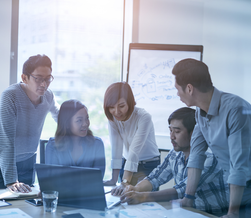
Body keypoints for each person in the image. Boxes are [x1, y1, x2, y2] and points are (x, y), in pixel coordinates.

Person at [172, 58, 251, 218]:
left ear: (189, 88)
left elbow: (239, 166)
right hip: (234, 187)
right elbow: (196, 155)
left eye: (177, 89)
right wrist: (188, 198)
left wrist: (233, 213)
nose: (177, 94)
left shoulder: (236, 109)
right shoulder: (199, 112)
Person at [120, 107, 229, 216]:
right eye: (170, 130)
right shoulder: (175, 153)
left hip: (211, 214)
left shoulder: (210, 157)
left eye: (177, 131)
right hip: (188, 212)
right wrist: (135, 188)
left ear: (194, 134)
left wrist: (142, 196)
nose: (171, 136)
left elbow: (181, 190)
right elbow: (156, 177)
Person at [0, 54, 59, 192]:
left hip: (28, 160)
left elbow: (60, 116)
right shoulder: (10, 96)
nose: (44, 84)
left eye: (48, 79)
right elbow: (5, 140)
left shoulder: (48, 96)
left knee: (27, 206)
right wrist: (11, 181)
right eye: (38, 78)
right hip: (1, 162)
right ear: (24, 78)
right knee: (5, 209)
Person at [103, 82, 160, 195]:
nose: (116, 112)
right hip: (126, 165)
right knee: (123, 200)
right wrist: (114, 180)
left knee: (143, 201)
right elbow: (116, 148)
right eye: (111, 107)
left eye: (121, 106)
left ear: (130, 102)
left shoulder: (144, 117)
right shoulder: (113, 119)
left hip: (148, 165)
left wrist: (124, 182)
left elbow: (134, 150)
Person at [45, 100, 105, 178]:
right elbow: (52, 178)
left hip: (88, 190)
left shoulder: (97, 144)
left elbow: (98, 178)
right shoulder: (53, 146)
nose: (85, 124)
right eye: (79, 120)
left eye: (87, 118)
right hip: (62, 190)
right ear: (67, 124)